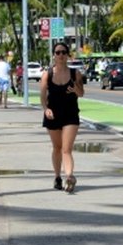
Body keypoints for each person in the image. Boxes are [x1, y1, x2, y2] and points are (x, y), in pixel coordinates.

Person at [39, 43, 84, 193]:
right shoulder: (47, 74)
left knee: (66, 149)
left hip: (71, 114)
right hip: (53, 115)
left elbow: (81, 93)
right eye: (58, 52)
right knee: (57, 148)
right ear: (54, 55)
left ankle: (69, 177)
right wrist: (46, 109)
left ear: (68, 55)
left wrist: (75, 89)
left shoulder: (75, 73)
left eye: (64, 52)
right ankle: (58, 176)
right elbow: (43, 96)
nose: (61, 55)